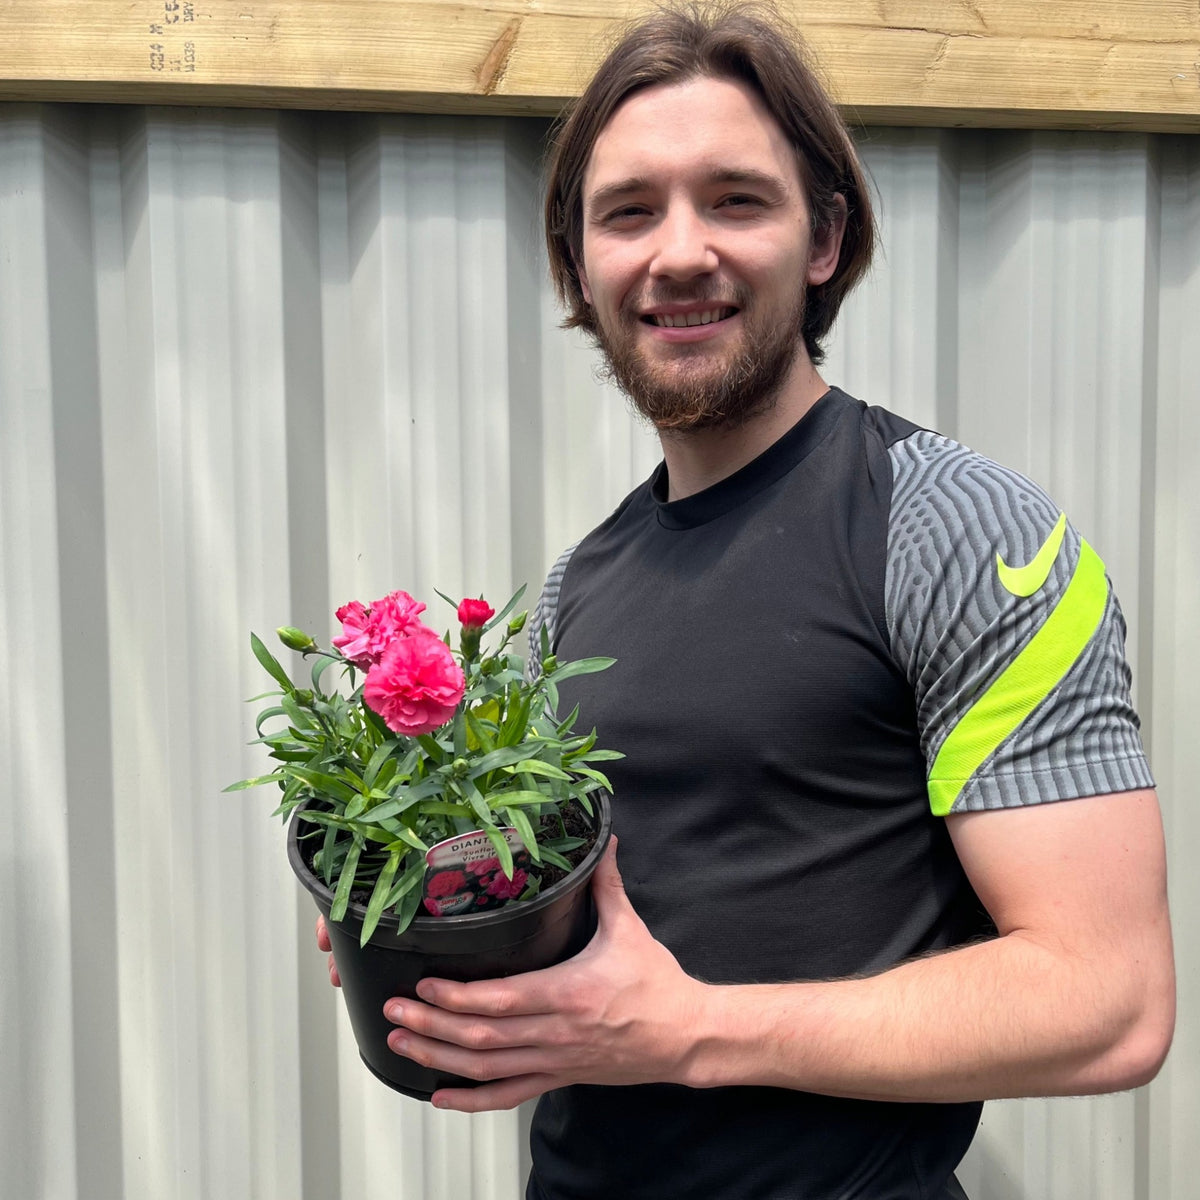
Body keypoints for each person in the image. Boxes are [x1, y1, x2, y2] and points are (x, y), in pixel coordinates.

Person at [318, 4, 1175, 1196]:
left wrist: (691, 1031)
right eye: (628, 211)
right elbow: (606, 924)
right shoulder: (580, 586)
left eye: (735, 199)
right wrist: (427, 903)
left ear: (823, 239)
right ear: (579, 262)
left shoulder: (959, 532)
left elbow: (1109, 1002)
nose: (677, 252)